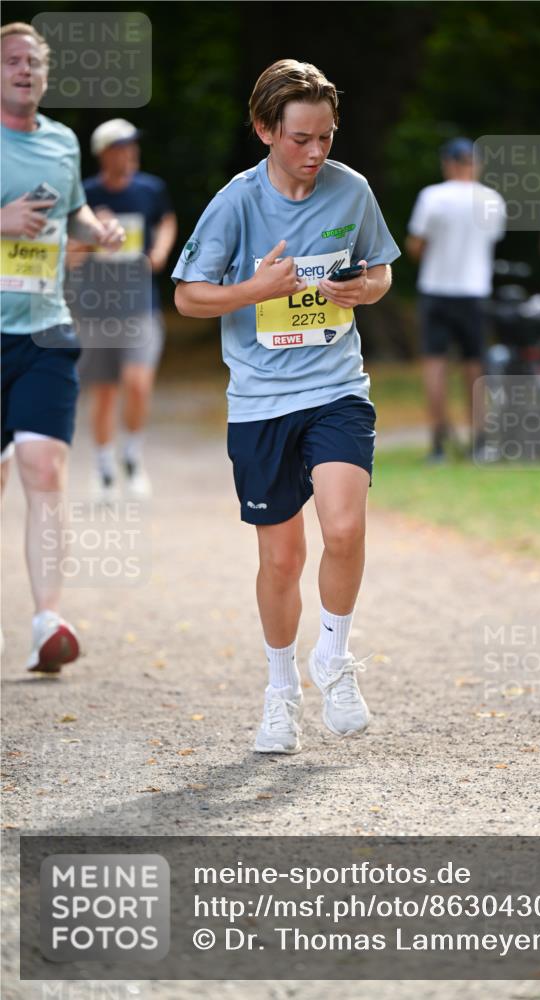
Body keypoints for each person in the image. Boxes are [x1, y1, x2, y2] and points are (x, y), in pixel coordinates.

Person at [173, 59, 399, 754]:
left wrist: (368, 290)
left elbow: (381, 267)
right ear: (265, 129)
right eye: (300, 138)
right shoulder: (236, 203)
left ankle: (332, 657)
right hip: (261, 402)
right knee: (280, 560)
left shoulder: (350, 191)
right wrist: (255, 291)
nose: (314, 153)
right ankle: (280, 690)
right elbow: (187, 296)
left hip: (334, 388)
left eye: (324, 137)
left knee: (343, 528)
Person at [1, 22, 123, 672]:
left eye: (34, 63)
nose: (25, 71)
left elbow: (72, 209)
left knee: (44, 468)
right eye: (13, 62)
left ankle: (48, 622)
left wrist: (93, 226)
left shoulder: (63, 142)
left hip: (46, 329)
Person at [71, 118, 177, 500]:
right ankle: (103, 470)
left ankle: (131, 455)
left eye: (133, 145)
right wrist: (92, 234)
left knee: (137, 384)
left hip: (139, 307)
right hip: (96, 310)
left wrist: (161, 250)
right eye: (121, 147)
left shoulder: (151, 189)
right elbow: (67, 259)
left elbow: (166, 219)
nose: (129, 153)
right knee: (104, 394)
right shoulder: (83, 195)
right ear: (103, 154)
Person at [406, 138, 506, 461]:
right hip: (474, 291)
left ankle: (437, 443)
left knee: (435, 364)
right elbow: (492, 241)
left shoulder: (432, 197)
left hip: (436, 288)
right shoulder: (492, 199)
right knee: (475, 365)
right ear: (476, 164)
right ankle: (480, 440)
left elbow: (416, 246)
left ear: (448, 163)